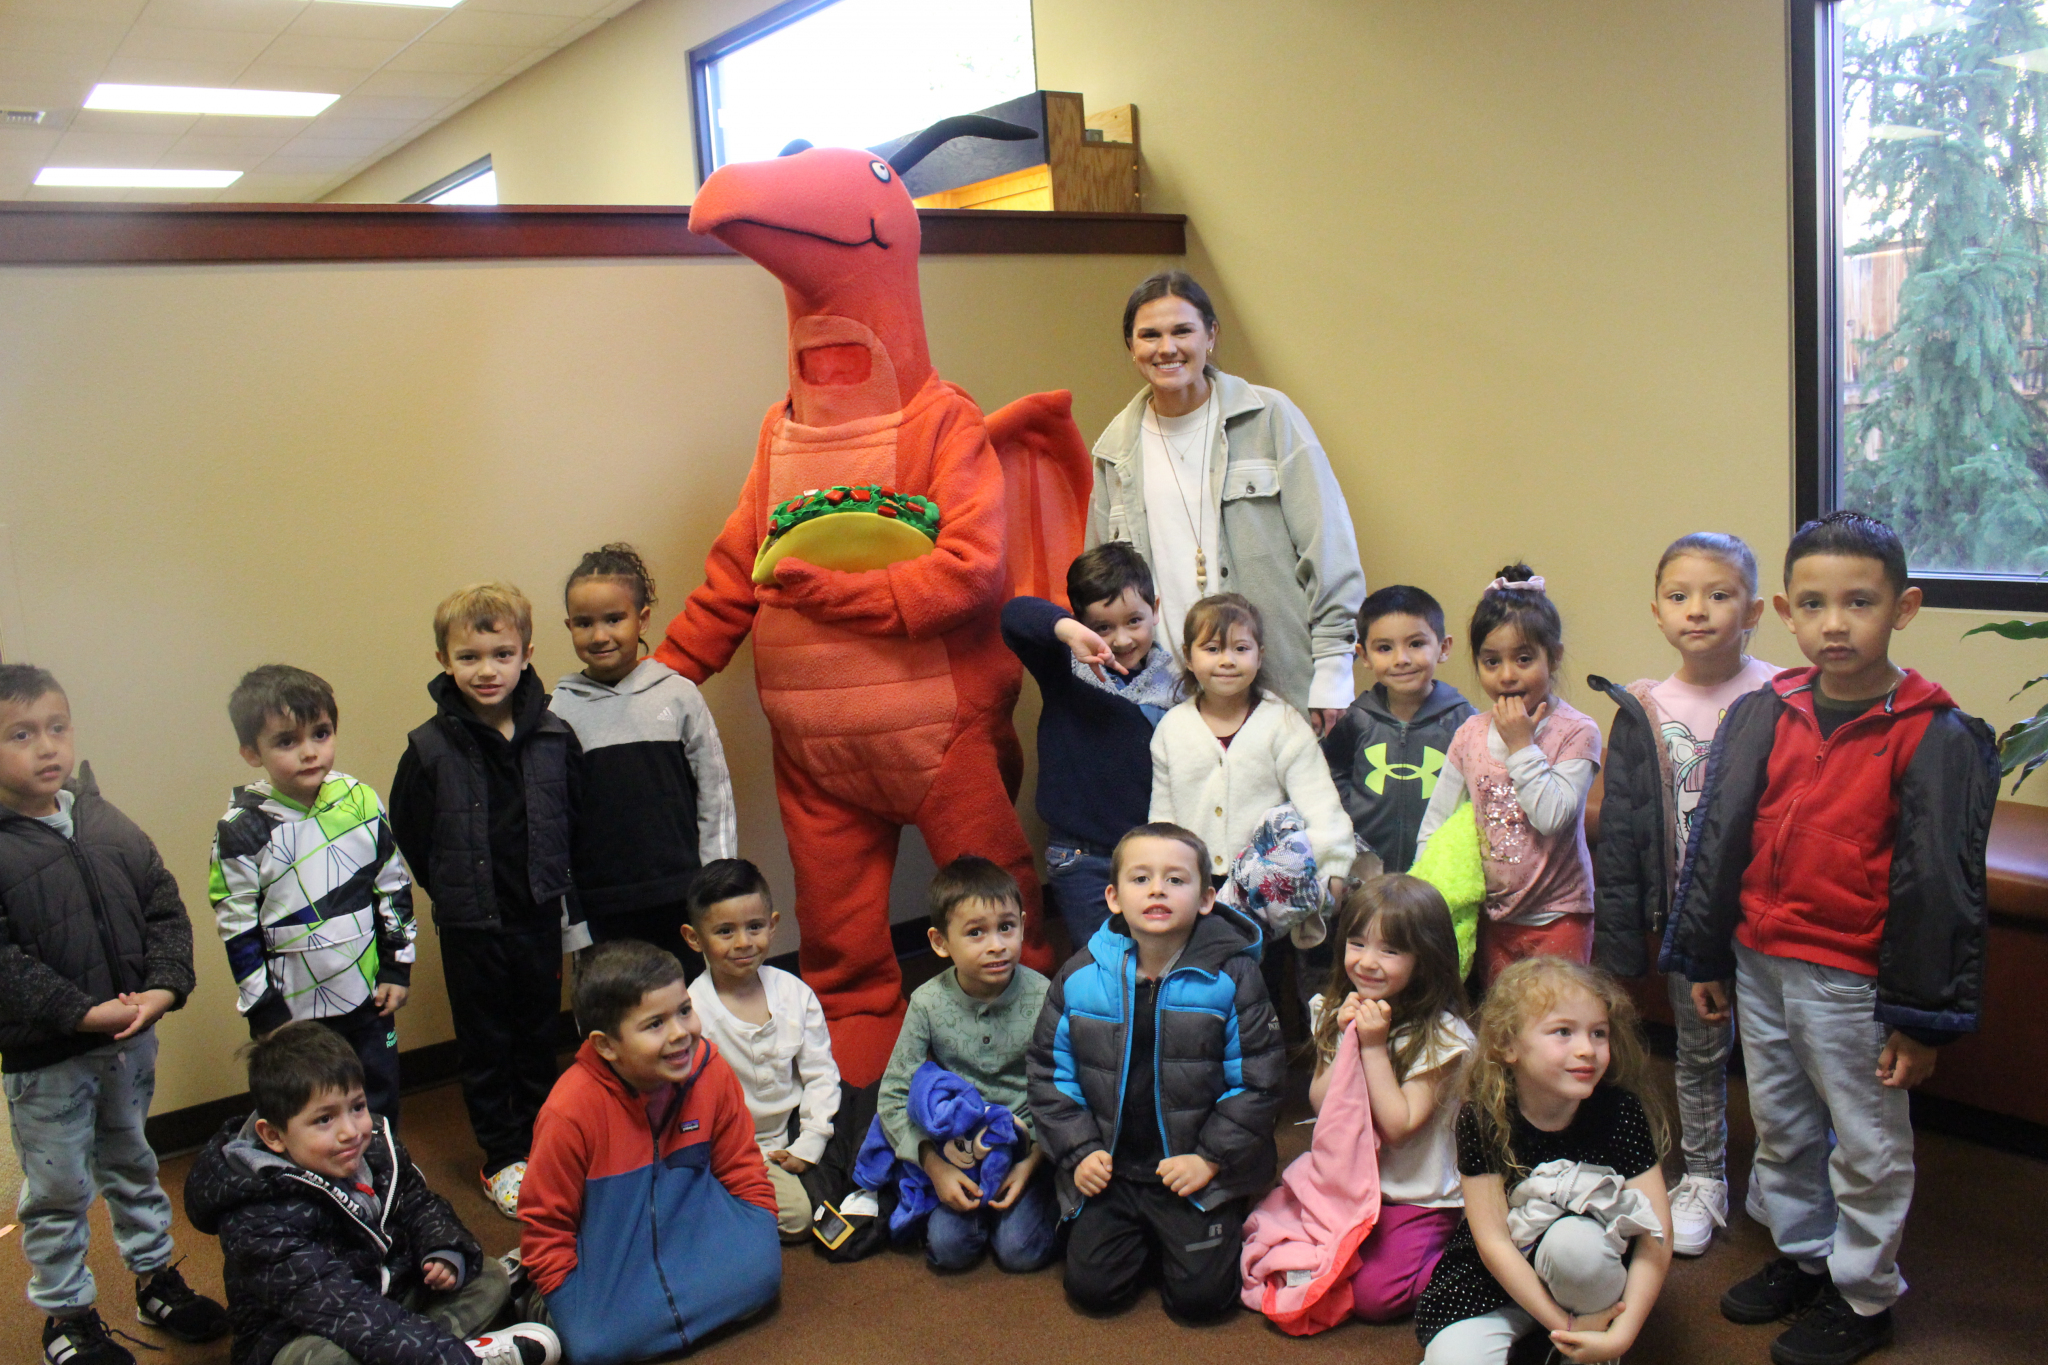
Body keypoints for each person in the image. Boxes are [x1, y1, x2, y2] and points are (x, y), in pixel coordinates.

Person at [1664, 511, 1996, 1365]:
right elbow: (1721, 840)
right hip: (1760, 960)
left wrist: (1919, 1017)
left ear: (1903, 608)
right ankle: (1807, 1254)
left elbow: (1940, 886)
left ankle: (1863, 1292)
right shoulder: (1767, 710)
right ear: (1784, 611)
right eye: (1813, 604)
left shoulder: (1932, 732)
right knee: (1782, 1124)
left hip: (1852, 979)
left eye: (1860, 602)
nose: (1834, 623)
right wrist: (1707, 953)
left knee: (1867, 1142)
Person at [0, 663, 231, 1365]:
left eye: (57, 727)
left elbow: (162, 905)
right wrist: (79, 1012)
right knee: (60, 1188)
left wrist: (165, 986)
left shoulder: (104, 821)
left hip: (128, 1043)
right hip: (49, 1059)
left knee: (133, 1160)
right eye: (20, 734)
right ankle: (67, 1316)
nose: (47, 746)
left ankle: (155, 1279)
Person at [1589, 532, 1777, 1258]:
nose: (1697, 610)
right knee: (1698, 1057)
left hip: (1766, 923)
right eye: (1679, 596)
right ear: (1657, 611)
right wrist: (1625, 935)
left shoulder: (1783, 695)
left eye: (1718, 595)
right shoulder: (1644, 706)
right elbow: (1624, 826)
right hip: (1686, 923)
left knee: (1779, 1058)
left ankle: (1784, 1172)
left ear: (1753, 611)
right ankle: (1703, 1177)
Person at [1086, 269, 1366, 732]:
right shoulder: (1113, 451)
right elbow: (1100, 586)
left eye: (1182, 331)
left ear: (1211, 335)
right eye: (1150, 335)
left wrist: (1333, 672)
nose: (1167, 348)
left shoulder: (1269, 417)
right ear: (1131, 347)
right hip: (1166, 700)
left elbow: (1329, 547)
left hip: (1279, 685)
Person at [184, 1022, 560, 1365]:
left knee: (488, 1276)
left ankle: (439, 1350)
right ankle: (466, 1353)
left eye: (357, 1107)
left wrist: (443, 1249)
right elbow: (343, 1310)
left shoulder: (374, 1146)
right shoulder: (256, 1218)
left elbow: (419, 1204)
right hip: (303, 1333)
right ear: (273, 1136)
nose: (351, 1131)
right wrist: (452, 1359)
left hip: (387, 1297)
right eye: (324, 1119)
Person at [1028, 823, 1285, 1322]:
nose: (1157, 890)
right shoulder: (1079, 975)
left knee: (1202, 1302)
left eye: (1176, 879)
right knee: (1092, 1291)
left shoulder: (1234, 976)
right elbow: (1048, 1073)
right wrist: (1080, 1151)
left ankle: (1202, 1226)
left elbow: (1259, 1081)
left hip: (1194, 1168)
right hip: (1112, 1167)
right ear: (1113, 897)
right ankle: (1148, 1239)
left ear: (1206, 899)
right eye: (1141, 878)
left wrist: (1209, 1160)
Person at [390, 583, 585, 1219]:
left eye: (501, 654)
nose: (487, 670)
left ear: (526, 654)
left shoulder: (555, 736)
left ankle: (542, 1141)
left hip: (537, 916)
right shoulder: (428, 747)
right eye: (469, 657)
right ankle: (502, 1156)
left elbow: (576, 817)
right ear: (445, 661)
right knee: (486, 1041)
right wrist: (453, 888)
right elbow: (410, 833)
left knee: (536, 1035)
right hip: (471, 925)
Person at [520, 941, 780, 1365]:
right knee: (596, 1349)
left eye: (684, 1010)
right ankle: (533, 1298)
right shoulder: (568, 1111)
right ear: (606, 1045)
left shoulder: (710, 1070)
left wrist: (759, 1226)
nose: (680, 1033)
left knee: (763, 1278)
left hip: (695, 1233)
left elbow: (743, 1168)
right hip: (613, 1254)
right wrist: (565, 1296)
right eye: (655, 1024)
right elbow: (546, 1224)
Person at [1414, 957, 1674, 1364]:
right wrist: (1563, 1326)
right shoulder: (1483, 1116)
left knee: (1576, 1248)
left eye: (1599, 1033)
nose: (1586, 1049)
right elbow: (1494, 1243)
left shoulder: (1619, 1111)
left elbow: (1657, 1233)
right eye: (1563, 1032)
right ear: (1508, 1045)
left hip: (1586, 1274)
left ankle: (1582, 1347)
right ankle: (1552, 1338)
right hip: (1499, 1281)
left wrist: (1622, 1335)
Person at [211, 665, 416, 1121]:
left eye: (321, 734)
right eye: (287, 741)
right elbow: (237, 928)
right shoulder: (242, 829)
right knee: (309, 1112)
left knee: (377, 1099)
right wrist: (263, 1009)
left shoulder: (361, 801)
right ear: (251, 752)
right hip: (294, 1012)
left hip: (367, 996)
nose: (309, 752)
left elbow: (393, 885)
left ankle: (382, 1165)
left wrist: (397, 968)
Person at [553, 544, 736, 975]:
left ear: (643, 619)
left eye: (614, 619)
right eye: (584, 623)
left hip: (681, 895)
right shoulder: (557, 712)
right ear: (569, 626)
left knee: (686, 1001)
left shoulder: (679, 695)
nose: (600, 635)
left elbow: (715, 795)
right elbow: (554, 825)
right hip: (601, 906)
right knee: (614, 1005)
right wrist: (570, 921)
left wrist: (717, 884)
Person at [1415, 567, 1601, 983]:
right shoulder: (1470, 734)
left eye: (1524, 659)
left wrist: (1521, 745)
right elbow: (1436, 823)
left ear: (1553, 657)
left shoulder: (1577, 731)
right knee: (1501, 1017)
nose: (1507, 675)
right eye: (1491, 661)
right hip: (1493, 916)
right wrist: (1428, 895)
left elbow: (1552, 817)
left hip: (1560, 915)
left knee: (1554, 1013)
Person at [1302, 875, 1474, 1322]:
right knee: (1303, 1266)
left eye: (1391, 951)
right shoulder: (1335, 1008)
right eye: (1357, 943)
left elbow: (1399, 1127)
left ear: (1425, 958)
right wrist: (1345, 1039)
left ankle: (1473, 1257)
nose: (1367, 962)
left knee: (1374, 1298)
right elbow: (1321, 1105)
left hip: (1416, 1195)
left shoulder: (1443, 1035)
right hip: (1352, 1185)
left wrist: (1373, 1048)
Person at [876, 857, 1057, 1273]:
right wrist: (934, 1167)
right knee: (948, 1250)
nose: (996, 945)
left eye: (1006, 927)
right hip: (957, 1150)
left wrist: (1031, 1163)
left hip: (1026, 1146)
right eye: (976, 933)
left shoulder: (1044, 994)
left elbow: (1066, 1086)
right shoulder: (927, 1002)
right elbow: (893, 1094)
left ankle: (1044, 1203)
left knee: (1019, 1252)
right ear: (940, 942)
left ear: (1023, 926)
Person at [1001, 542, 1174, 947]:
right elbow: (1014, 616)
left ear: (1156, 609)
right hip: (1082, 859)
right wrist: (1069, 632)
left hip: (1152, 856)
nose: (1122, 639)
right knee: (1104, 963)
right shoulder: (1067, 666)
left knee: (1158, 959)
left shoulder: (1175, 681)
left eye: (1134, 621)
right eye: (1103, 627)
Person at [1149, 594, 1354, 896]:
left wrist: (1333, 866)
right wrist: (1161, 872)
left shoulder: (1283, 723)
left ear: (1259, 656)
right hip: (1193, 883)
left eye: (1241, 649)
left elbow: (1319, 802)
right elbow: (1163, 817)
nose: (1227, 660)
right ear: (1188, 657)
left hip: (1270, 888)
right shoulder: (1172, 728)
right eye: (1212, 649)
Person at [683, 858, 840, 1241]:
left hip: (790, 1131)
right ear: (694, 938)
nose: (743, 943)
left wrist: (810, 1141)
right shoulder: (691, 1013)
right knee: (800, 1217)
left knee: (865, 1158)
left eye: (754, 927)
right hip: (730, 1149)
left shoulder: (794, 993)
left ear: (772, 924)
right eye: (725, 931)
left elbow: (821, 1074)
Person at [1322, 585, 1479, 879]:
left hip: (1436, 873)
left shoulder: (1465, 723)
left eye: (1416, 644)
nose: (1401, 659)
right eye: (1385, 648)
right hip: (1365, 874)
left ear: (1443, 648)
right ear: (1364, 655)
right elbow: (1331, 770)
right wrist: (1349, 812)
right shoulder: (1357, 719)